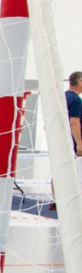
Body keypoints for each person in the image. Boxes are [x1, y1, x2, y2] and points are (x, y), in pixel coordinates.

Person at [50, 72, 82, 210]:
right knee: (74, 171)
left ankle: (55, 199)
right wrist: (79, 143)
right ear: (80, 82)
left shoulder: (62, 97)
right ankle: (73, 200)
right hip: (71, 142)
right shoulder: (75, 100)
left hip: (59, 139)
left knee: (58, 169)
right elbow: (74, 123)